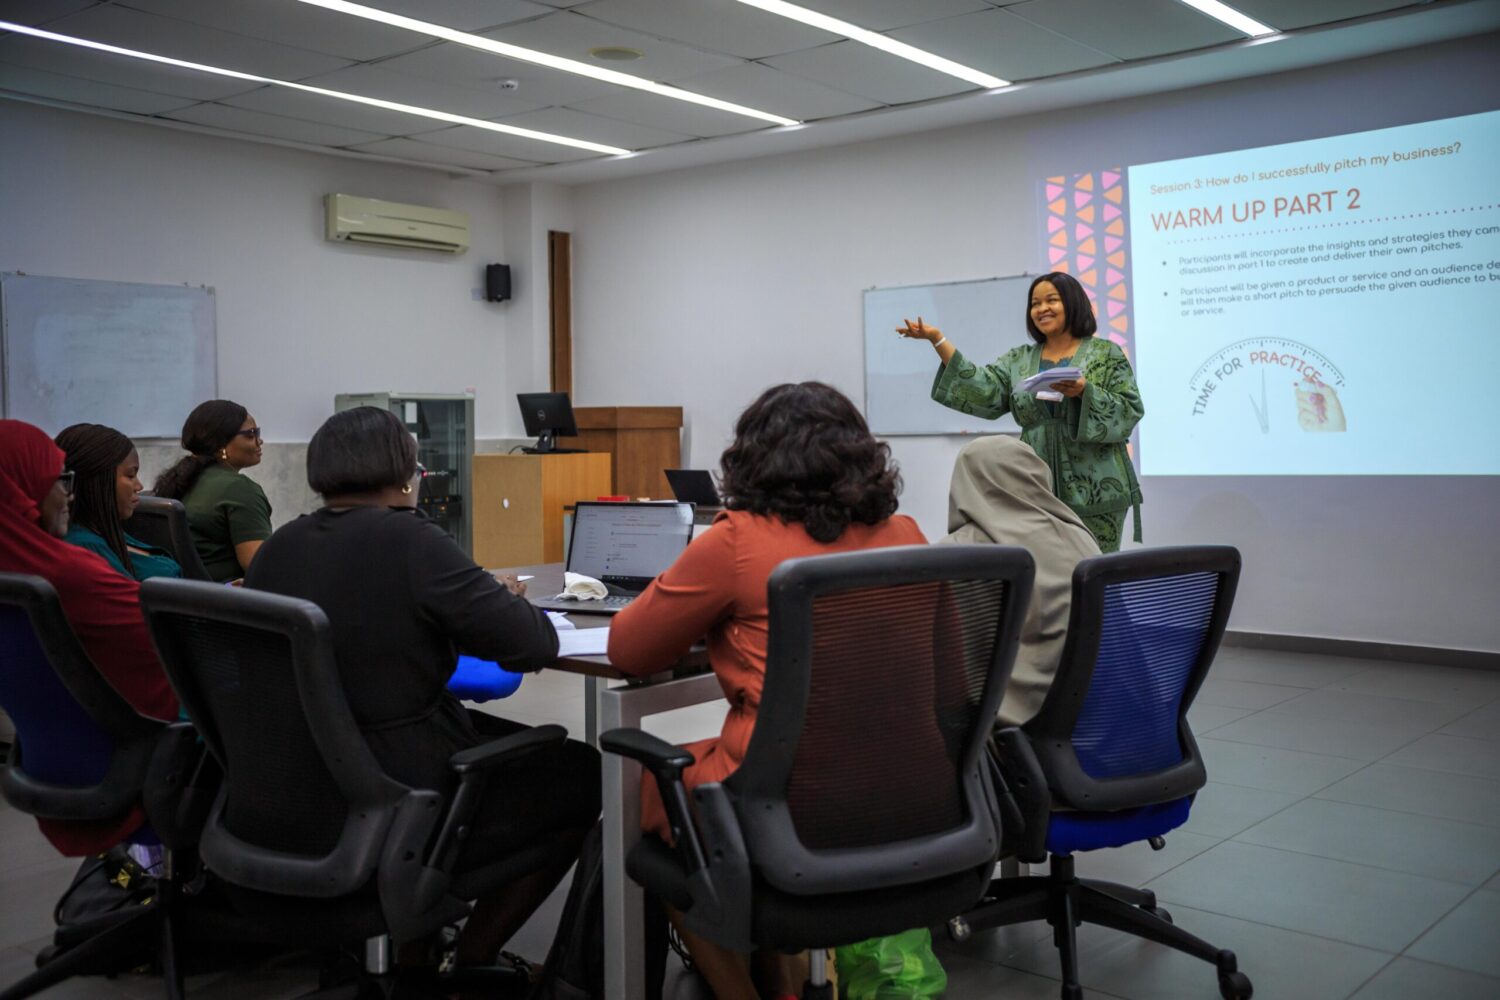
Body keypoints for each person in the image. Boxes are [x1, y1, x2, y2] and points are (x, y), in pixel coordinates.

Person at [244, 407, 600, 970]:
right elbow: (530, 644)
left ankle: (419, 943)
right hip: (408, 788)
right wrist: (495, 595)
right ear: (407, 472)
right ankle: (467, 964)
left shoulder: (280, 547)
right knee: (582, 773)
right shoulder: (412, 540)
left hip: (303, 786)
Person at [608, 382, 927, 999]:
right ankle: (786, 981)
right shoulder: (907, 533)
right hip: (906, 788)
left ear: (753, 458)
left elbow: (629, 650)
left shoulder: (735, 540)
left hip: (788, 797)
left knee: (653, 790)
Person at [0, 420, 178, 853]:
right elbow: (179, 649)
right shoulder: (73, 573)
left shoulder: (15, 575)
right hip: (149, 757)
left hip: (55, 761)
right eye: (57, 480)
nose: (69, 493)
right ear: (22, 488)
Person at [899, 271, 1144, 552]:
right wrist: (938, 340)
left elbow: (1130, 409)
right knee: (1047, 572)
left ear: (1073, 303)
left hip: (1095, 490)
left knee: (1093, 573)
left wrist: (1084, 392)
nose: (1042, 309)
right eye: (1035, 304)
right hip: (1033, 488)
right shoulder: (1019, 359)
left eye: (1051, 300)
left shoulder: (1106, 354)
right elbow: (985, 390)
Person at [940, 435, 1100, 726]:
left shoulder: (959, 553)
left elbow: (950, 661)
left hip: (1012, 726)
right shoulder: (1080, 536)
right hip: (1100, 709)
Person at [152, 399, 271, 582]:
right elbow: (260, 565)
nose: (259, 440)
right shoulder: (239, 488)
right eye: (251, 434)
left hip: (184, 597)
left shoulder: (180, 480)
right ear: (221, 443)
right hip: (228, 601)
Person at [55, 423, 182, 582]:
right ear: (99, 482)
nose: (139, 486)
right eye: (130, 476)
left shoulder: (104, 528)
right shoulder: (86, 547)